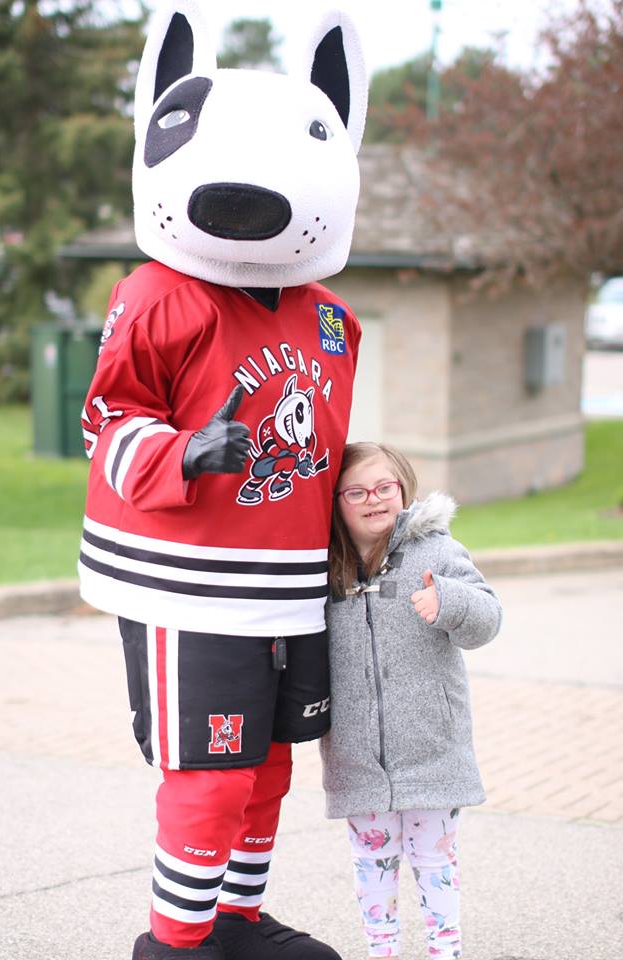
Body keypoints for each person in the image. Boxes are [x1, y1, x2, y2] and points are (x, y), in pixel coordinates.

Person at [77, 3, 369, 960]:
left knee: (272, 764)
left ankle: (233, 923)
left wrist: (368, 507)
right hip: (188, 578)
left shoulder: (334, 321)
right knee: (208, 769)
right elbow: (106, 416)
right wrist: (179, 451)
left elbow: (323, 441)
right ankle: (174, 942)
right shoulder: (157, 295)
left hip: (289, 585)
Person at [320, 442, 502, 960]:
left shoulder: (436, 550)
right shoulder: (324, 564)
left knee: (434, 859)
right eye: (355, 491)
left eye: (384, 488)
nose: (372, 500)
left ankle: (445, 950)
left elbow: (488, 619)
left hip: (430, 745)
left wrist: (450, 601)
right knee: (371, 862)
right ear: (335, 499)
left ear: (403, 487)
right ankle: (382, 950)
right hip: (356, 752)